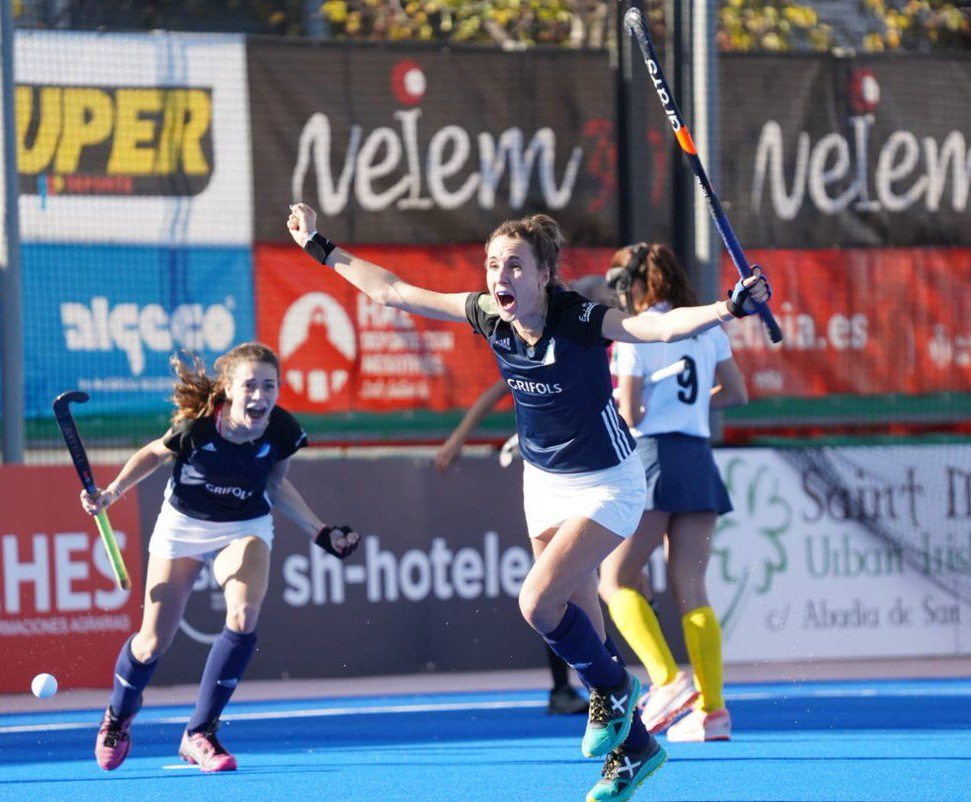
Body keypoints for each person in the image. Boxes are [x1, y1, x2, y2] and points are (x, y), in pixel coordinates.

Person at [286, 203, 770, 802]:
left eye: (514, 266)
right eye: (493, 265)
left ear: (544, 275)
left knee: (538, 603)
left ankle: (618, 690)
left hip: (609, 481)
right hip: (542, 482)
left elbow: (655, 329)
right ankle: (636, 749)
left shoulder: (581, 317)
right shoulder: (488, 315)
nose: (499, 277)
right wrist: (319, 246)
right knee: (584, 621)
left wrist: (729, 308)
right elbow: (391, 291)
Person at [80, 342, 360, 773]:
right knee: (153, 641)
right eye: (249, 385)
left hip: (243, 525)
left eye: (269, 386)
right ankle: (117, 717)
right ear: (229, 389)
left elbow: (276, 485)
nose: (260, 396)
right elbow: (155, 453)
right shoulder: (198, 429)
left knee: (244, 615)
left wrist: (322, 533)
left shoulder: (281, 431)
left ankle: (199, 733)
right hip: (183, 526)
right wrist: (112, 493)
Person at [598, 243, 748, 743]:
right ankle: (714, 711)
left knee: (614, 579)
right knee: (692, 587)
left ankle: (665, 679)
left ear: (639, 283)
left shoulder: (634, 333)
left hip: (653, 460)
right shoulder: (706, 325)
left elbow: (631, 415)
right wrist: (692, 405)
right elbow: (737, 393)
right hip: (697, 457)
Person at [435, 379, 588, 717]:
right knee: (556, 590)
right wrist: (459, 438)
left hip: (593, 474)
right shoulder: (531, 347)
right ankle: (568, 688)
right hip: (550, 479)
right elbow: (497, 390)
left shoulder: (599, 344)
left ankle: (609, 685)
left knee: (601, 585)